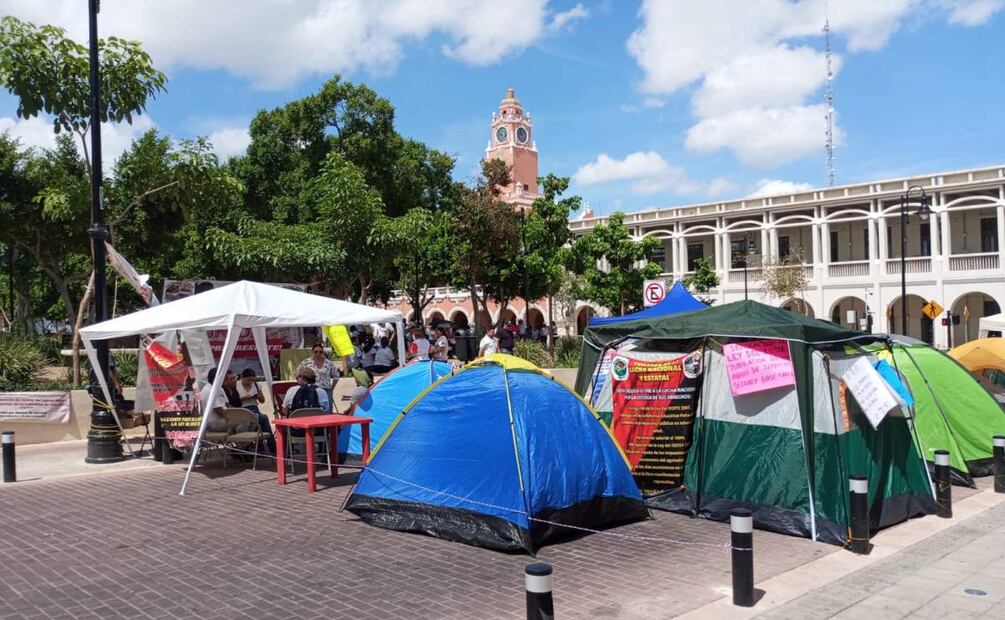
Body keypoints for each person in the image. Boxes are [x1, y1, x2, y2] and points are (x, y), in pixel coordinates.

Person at [235, 368, 276, 454]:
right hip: (243, 409)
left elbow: (262, 400)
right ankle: (270, 446)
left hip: (254, 408)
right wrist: (245, 398)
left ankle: (264, 447)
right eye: (247, 380)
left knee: (260, 421)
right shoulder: (237, 385)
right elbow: (234, 401)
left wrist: (257, 396)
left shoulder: (256, 385)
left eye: (252, 380)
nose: (250, 382)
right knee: (263, 419)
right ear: (242, 378)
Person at [200, 367, 233, 432]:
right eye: (224, 377)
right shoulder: (210, 390)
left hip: (223, 418)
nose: (226, 379)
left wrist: (238, 413)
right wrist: (234, 417)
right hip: (214, 423)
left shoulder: (219, 387)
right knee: (243, 422)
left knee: (245, 420)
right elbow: (219, 411)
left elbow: (227, 404)